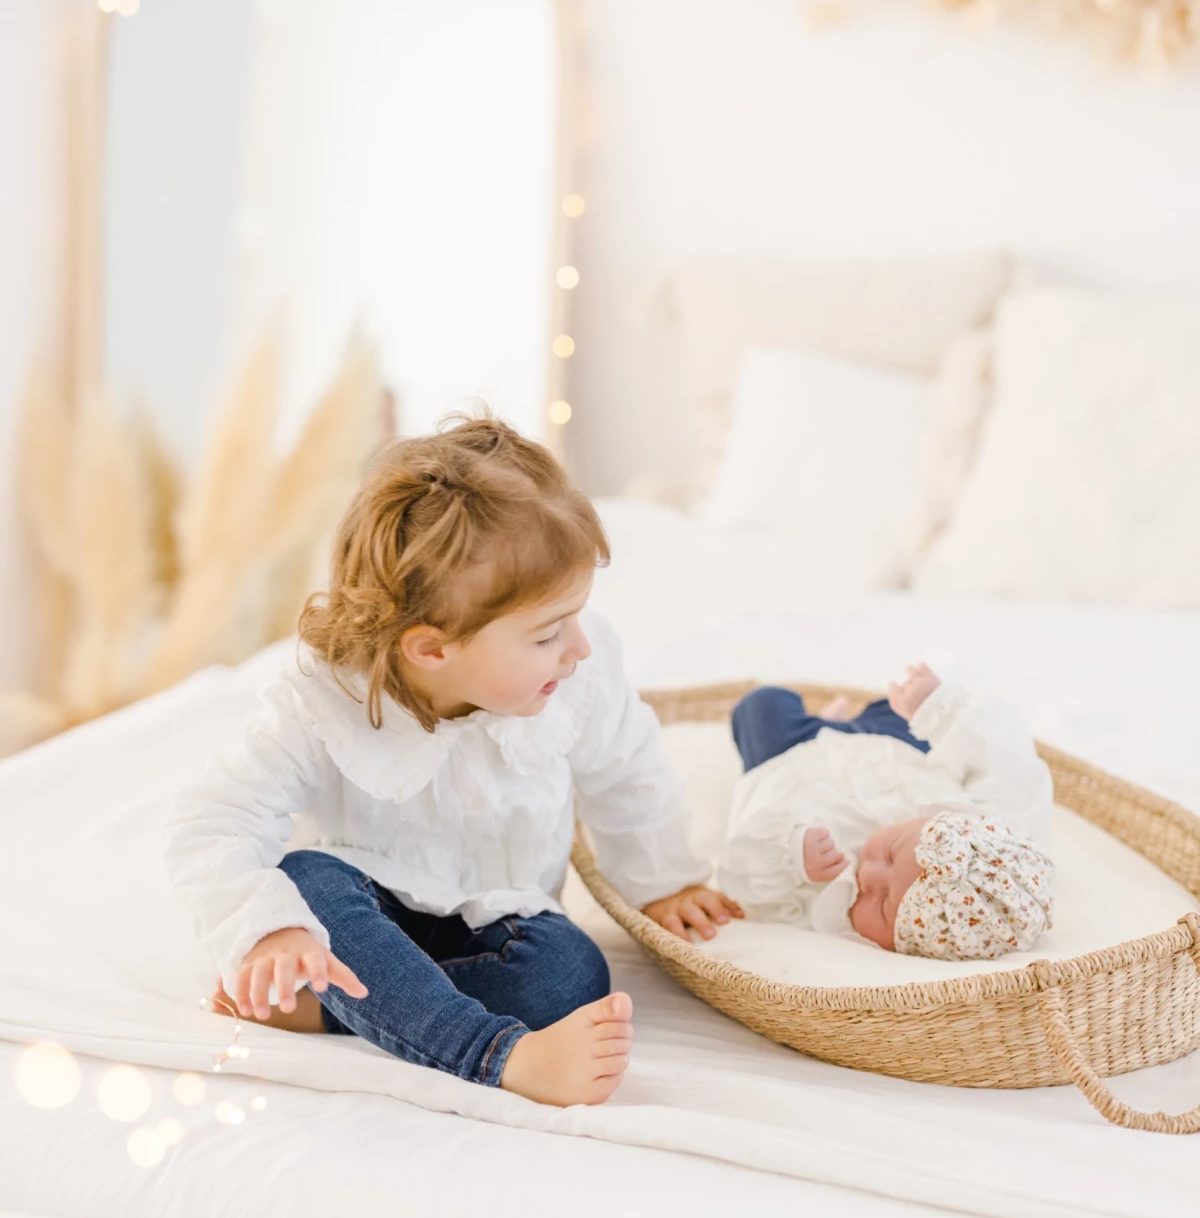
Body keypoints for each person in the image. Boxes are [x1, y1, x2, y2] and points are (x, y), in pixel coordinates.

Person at [165, 418, 741, 1107]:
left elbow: (629, 772)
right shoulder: (325, 699)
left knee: (571, 976)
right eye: (548, 632)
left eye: (576, 619)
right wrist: (272, 933)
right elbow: (211, 819)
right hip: (365, 911)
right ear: (432, 649)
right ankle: (499, 1055)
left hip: (501, 919)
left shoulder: (582, 678)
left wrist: (665, 881)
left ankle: (339, 1005)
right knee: (306, 880)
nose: (578, 648)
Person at [718, 664, 1054, 960]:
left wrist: (792, 856)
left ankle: (825, 723)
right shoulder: (993, 840)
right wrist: (938, 707)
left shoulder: (830, 906)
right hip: (891, 751)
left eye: (880, 904)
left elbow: (743, 881)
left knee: (761, 706)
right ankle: (847, 721)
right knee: (897, 708)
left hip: (791, 758)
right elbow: (1009, 759)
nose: (868, 874)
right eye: (892, 854)